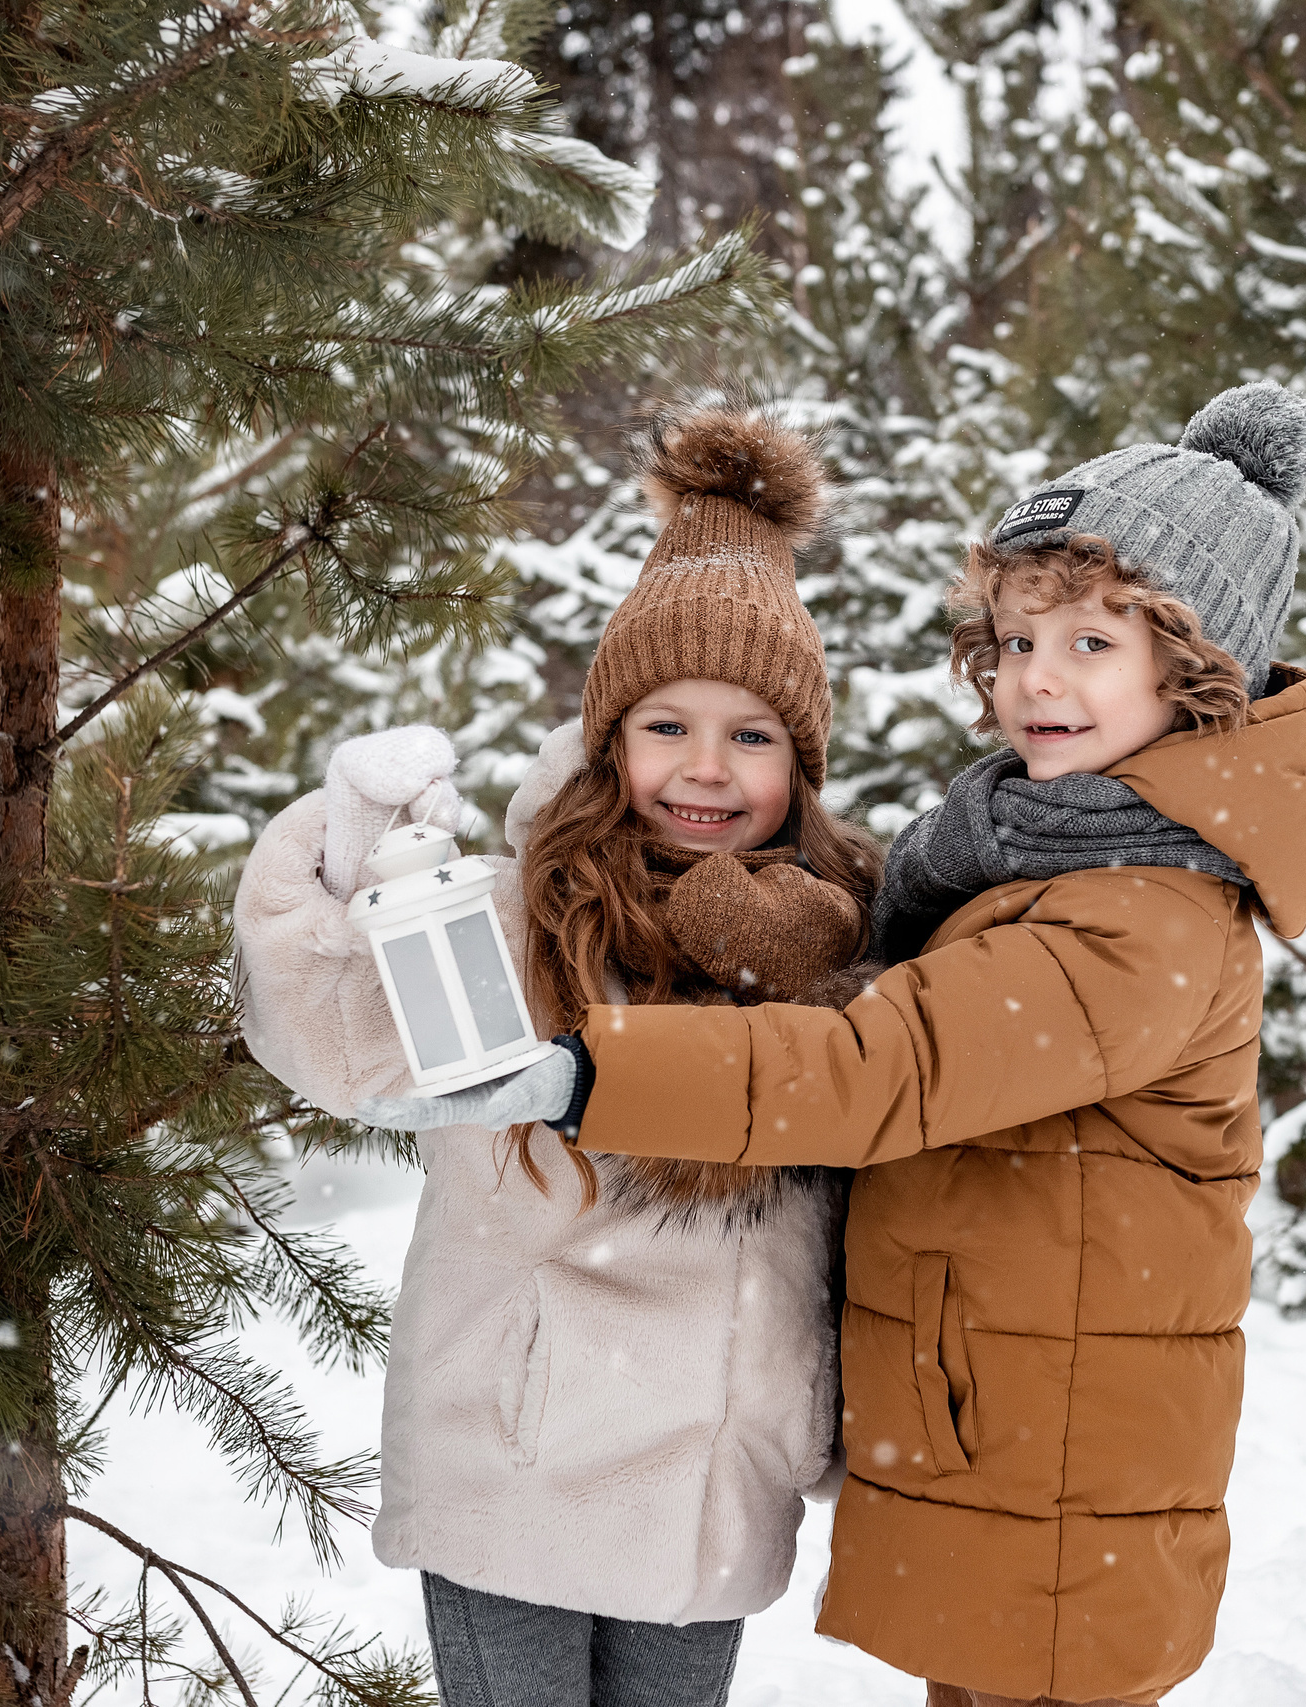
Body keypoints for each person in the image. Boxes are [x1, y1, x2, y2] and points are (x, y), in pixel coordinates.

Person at [364, 382, 1306, 1707]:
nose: (1034, 676)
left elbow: (885, 1067)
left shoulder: (1145, 915)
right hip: (1010, 1423)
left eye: (1092, 642)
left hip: (1059, 1462)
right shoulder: (1047, 854)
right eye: (1016, 637)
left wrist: (600, 1069)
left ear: (1197, 665)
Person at [236, 407, 881, 1707]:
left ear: (801, 765)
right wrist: (350, 861)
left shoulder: (844, 945)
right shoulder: (530, 910)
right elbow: (341, 1039)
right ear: (609, 742)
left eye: (752, 736)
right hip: (521, 1457)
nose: (708, 768)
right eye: (667, 728)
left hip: (712, 1470)